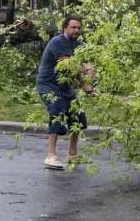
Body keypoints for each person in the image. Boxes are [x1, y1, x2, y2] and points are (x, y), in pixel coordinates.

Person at [36, 15, 94, 170]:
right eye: (73, 27)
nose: (77, 30)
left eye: (79, 27)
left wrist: (88, 82)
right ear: (65, 28)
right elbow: (68, 66)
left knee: (77, 115)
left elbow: (86, 66)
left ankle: (73, 154)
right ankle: (51, 156)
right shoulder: (57, 42)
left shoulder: (79, 45)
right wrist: (84, 76)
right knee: (57, 112)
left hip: (64, 86)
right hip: (48, 85)